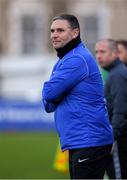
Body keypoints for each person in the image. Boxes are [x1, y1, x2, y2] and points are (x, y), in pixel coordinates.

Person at [42, 14, 113, 179]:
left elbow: (49, 93)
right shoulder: (66, 59)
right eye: (52, 31)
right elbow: (49, 105)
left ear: (75, 33)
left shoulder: (76, 59)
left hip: (89, 141)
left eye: (60, 30)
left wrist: (48, 86)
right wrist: (53, 90)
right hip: (81, 140)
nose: (54, 35)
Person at [95, 38, 127, 179]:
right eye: (96, 52)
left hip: (119, 140)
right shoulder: (115, 73)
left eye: (103, 51)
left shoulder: (117, 75)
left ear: (114, 54)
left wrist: (112, 137)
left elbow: (121, 110)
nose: (98, 56)